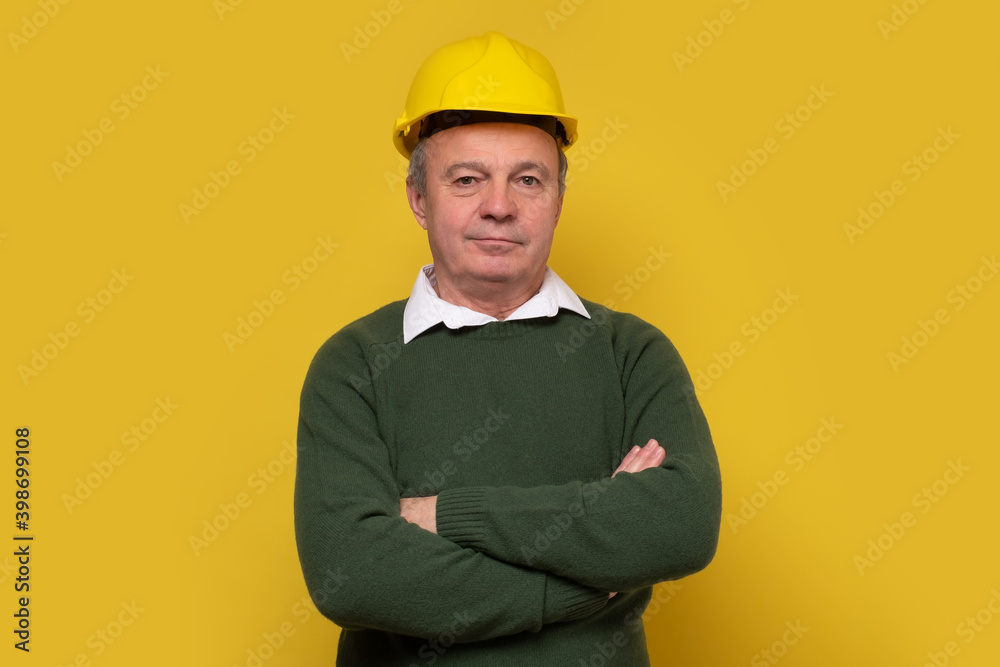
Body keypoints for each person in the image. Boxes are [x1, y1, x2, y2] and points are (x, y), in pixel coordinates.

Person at [293, 31, 722, 666]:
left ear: (558, 199)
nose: (499, 207)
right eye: (467, 179)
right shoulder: (355, 362)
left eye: (528, 179)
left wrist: (443, 515)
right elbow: (352, 574)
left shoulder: (631, 352)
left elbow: (679, 525)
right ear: (419, 198)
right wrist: (586, 583)